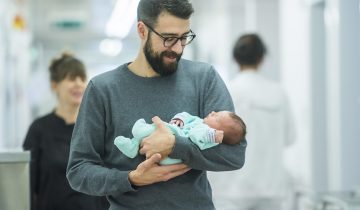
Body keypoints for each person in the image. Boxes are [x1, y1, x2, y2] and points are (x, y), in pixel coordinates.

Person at [66, 0, 247, 209]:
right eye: (169, 39)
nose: (178, 49)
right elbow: (78, 170)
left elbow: (234, 156)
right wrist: (131, 178)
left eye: (184, 37)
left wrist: (175, 146)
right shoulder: (102, 89)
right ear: (142, 30)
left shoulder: (204, 79)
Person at [208, 34, 296, 210]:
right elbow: (290, 138)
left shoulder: (227, 91)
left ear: (234, 58)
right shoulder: (278, 92)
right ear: (262, 58)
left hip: (231, 190)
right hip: (271, 188)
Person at [23, 53, 109, 210]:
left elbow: (106, 180)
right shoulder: (39, 129)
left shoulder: (98, 126)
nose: (78, 84)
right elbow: (27, 184)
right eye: (71, 79)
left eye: (82, 79)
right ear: (55, 85)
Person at [114, 111, 246, 165]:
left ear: (219, 131)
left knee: (156, 129)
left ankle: (138, 130)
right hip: (169, 143)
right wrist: (180, 120)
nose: (212, 112)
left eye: (216, 117)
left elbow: (196, 137)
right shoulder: (198, 120)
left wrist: (213, 136)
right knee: (157, 132)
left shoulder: (207, 132)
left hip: (172, 152)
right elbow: (185, 115)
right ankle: (132, 146)